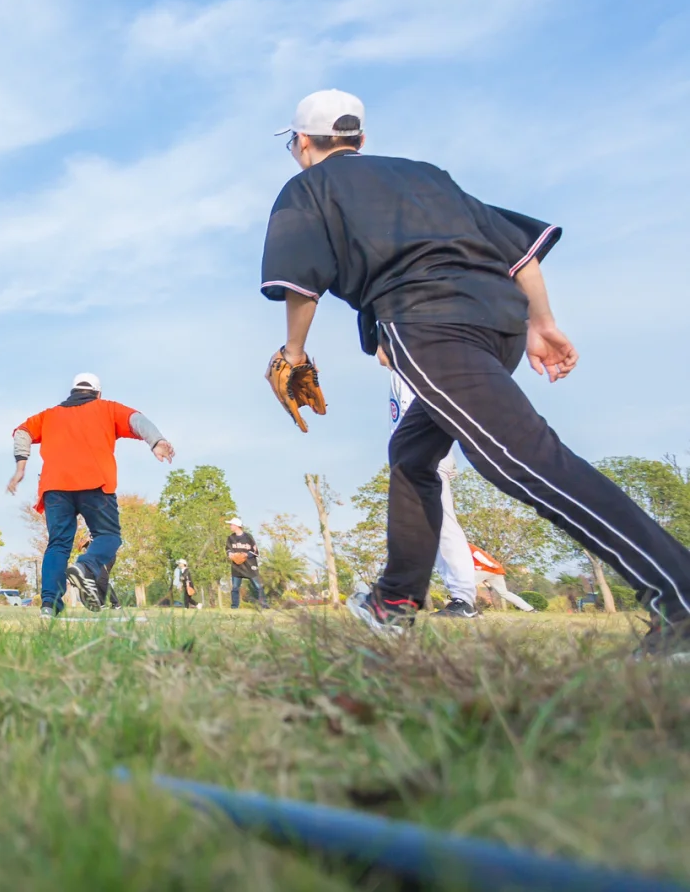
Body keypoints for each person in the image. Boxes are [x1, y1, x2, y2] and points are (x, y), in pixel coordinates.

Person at [258, 89, 690, 655]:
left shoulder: (308, 187)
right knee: (413, 455)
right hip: (500, 321)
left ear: (302, 143)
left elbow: (299, 280)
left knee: (519, 456)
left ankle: (678, 595)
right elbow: (519, 250)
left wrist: (294, 353)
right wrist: (542, 322)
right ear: (360, 140)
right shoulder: (425, 175)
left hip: (428, 324)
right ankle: (394, 602)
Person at [6, 373, 175, 617]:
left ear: (73, 391)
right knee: (108, 535)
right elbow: (137, 419)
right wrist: (156, 441)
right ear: (97, 393)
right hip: (95, 483)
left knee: (58, 544)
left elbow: (22, 432)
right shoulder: (107, 408)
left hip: (55, 486)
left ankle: (49, 605)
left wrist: (21, 466)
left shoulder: (49, 415)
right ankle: (86, 566)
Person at [383, 366, 479, 617]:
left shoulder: (418, 365)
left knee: (444, 526)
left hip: (427, 455)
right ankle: (399, 595)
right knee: (420, 529)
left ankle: (464, 599)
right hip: (414, 457)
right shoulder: (400, 371)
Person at [470, 544, 535, 612]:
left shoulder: (466, 546)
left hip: (486, 569)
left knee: (465, 585)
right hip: (496, 570)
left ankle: (469, 608)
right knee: (504, 593)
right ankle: (529, 609)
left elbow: (477, 554)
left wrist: (490, 565)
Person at [225, 517, 266, 609]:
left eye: (231, 524)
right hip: (237, 566)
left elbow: (255, 552)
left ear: (237, 526)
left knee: (258, 586)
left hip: (250, 565)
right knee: (235, 587)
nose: (230, 526)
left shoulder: (248, 537)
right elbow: (228, 549)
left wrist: (246, 555)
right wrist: (230, 554)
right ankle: (234, 606)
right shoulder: (230, 538)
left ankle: (264, 604)